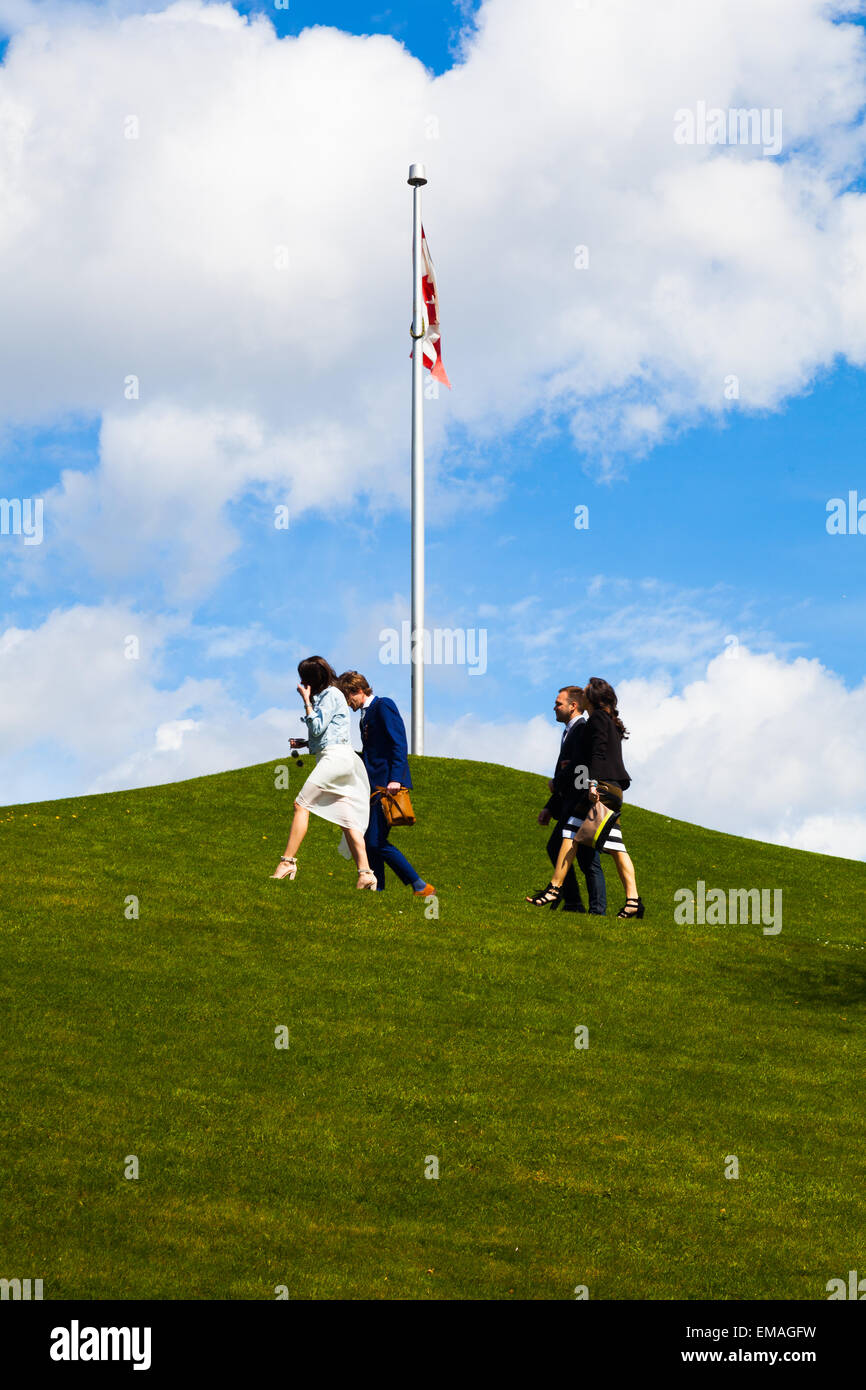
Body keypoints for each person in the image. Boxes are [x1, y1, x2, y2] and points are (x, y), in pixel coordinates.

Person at [526, 677, 644, 919]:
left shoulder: (598, 719)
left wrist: (592, 784)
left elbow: (597, 753)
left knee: (569, 832)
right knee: (616, 847)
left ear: (593, 698)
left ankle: (554, 889)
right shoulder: (607, 720)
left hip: (599, 788)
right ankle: (633, 901)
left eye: (587, 692)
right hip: (612, 789)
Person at [271, 656, 376, 889]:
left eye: (304, 679)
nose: (301, 683)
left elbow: (318, 726)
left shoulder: (330, 695)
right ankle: (365, 873)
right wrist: (306, 744)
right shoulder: (332, 695)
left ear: (311, 680)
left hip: (335, 759)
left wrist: (306, 701)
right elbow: (329, 733)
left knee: (301, 805)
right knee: (347, 820)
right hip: (339, 757)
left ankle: (287, 862)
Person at [337, 671, 435, 898]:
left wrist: (396, 779)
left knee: (376, 841)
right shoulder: (365, 715)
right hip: (372, 788)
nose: (346, 704)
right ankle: (377, 891)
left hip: (387, 787)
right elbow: (372, 754)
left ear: (357, 690)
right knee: (371, 843)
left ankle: (420, 885)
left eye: (347, 697)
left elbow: (398, 743)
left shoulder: (383, 706)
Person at [536, 686, 606, 914]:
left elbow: (580, 767)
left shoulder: (581, 730)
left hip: (579, 803)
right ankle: (591, 908)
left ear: (573, 706)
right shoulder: (570, 731)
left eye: (558, 703)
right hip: (570, 802)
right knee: (587, 858)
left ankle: (578, 904)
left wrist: (559, 780)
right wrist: (550, 806)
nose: (554, 707)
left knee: (562, 848)